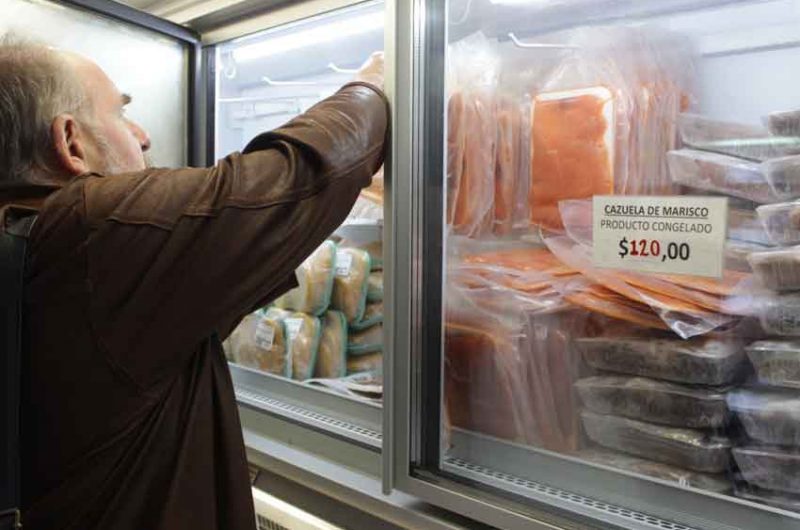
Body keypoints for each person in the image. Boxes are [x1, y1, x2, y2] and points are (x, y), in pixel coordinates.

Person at [0, 34, 387, 530]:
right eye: (120, 114)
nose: (141, 136)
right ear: (70, 141)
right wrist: (375, 85)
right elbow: (292, 182)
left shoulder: (27, 236)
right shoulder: (89, 231)